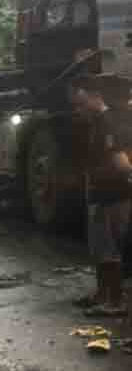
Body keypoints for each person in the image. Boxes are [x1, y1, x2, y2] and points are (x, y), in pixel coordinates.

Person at [70, 75, 132, 316]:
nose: (79, 110)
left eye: (83, 104)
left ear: (96, 97)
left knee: (111, 249)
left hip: (113, 196)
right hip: (99, 194)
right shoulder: (96, 122)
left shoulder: (109, 122)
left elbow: (120, 160)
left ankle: (115, 302)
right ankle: (102, 294)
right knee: (100, 248)